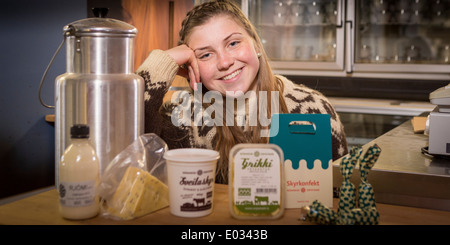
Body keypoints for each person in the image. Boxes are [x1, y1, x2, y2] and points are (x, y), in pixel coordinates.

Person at [136, 0, 348, 184]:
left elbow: (339, 196)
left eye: (233, 43)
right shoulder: (182, 118)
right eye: (206, 55)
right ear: (192, 66)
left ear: (256, 44)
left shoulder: (312, 109)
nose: (225, 62)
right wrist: (163, 61)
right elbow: (129, 162)